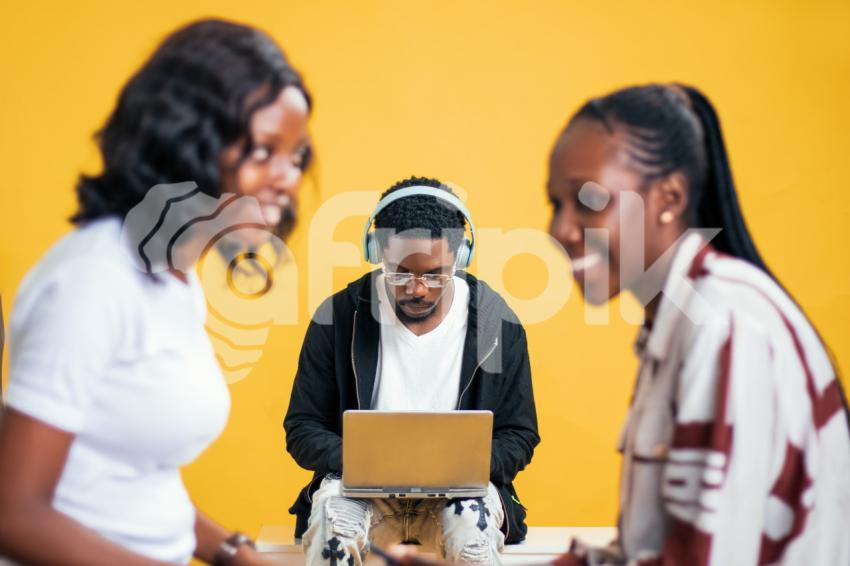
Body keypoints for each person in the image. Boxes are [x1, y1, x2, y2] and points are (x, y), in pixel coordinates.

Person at [0, 19, 313, 565]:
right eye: (265, 150)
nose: (287, 177)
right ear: (187, 141)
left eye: (296, 155)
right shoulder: (93, 279)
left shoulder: (173, 277)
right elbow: (14, 512)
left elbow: (132, 478)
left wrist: (235, 555)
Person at [546, 84, 850, 565]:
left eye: (588, 199)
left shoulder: (725, 324)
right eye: (555, 204)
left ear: (669, 197)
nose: (559, 229)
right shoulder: (681, 319)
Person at [284, 176, 540, 566]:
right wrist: (368, 460)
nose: (417, 289)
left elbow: (520, 434)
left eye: (436, 275)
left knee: (472, 531)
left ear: (460, 256)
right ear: (376, 250)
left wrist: (457, 466)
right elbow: (302, 428)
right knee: (332, 527)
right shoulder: (338, 317)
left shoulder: (495, 324)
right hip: (360, 493)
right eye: (398, 272)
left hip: (459, 498)